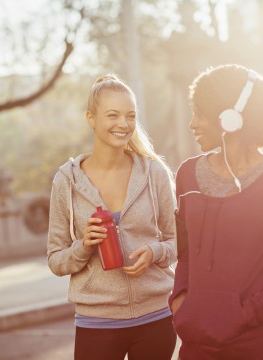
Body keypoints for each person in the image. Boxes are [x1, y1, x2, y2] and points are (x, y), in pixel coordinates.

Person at [169, 64, 263, 360]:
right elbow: (186, 251)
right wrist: (181, 298)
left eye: (200, 113)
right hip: (197, 349)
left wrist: (247, 313)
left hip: (262, 349)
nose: (192, 124)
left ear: (230, 117)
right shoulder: (187, 174)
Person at [47, 74, 177, 360]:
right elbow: (55, 260)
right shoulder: (67, 181)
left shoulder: (154, 174)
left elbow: (176, 241)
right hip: (97, 322)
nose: (124, 124)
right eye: (113, 115)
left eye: (130, 116)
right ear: (91, 118)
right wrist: (84, 246)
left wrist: (155, 252)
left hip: (156, 318)